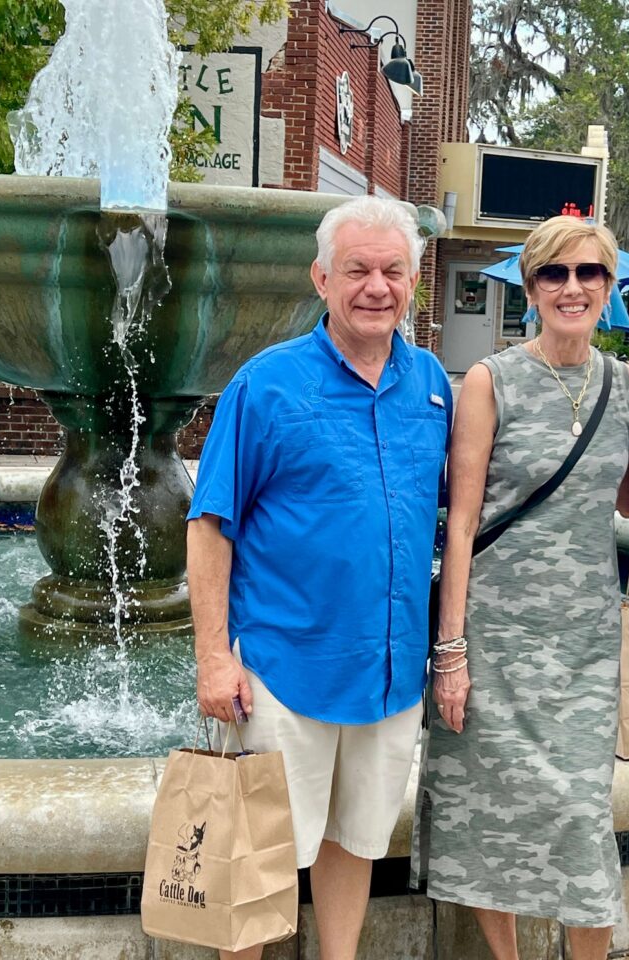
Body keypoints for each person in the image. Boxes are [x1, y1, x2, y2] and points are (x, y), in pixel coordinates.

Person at [186, 195, 450, 960]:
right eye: (358, 270)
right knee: (260, 859)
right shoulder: (266, 386)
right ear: (322, 279)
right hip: (282, 671)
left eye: (393, 271)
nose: (377, 287)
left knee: (356, 843)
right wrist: (213, 656)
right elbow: (210, 524)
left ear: (412, 281)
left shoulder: (432, 384)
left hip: (390, 673)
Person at [413, 215, 629, 960]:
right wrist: (450, 651)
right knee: (488, 812)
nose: (571, 289)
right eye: (554, 274)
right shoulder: (489, 381)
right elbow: (460, 524)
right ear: (531, 287)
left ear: (608, 287)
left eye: (588, 274)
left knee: (581, 817)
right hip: (495, 638)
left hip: (582, 641)